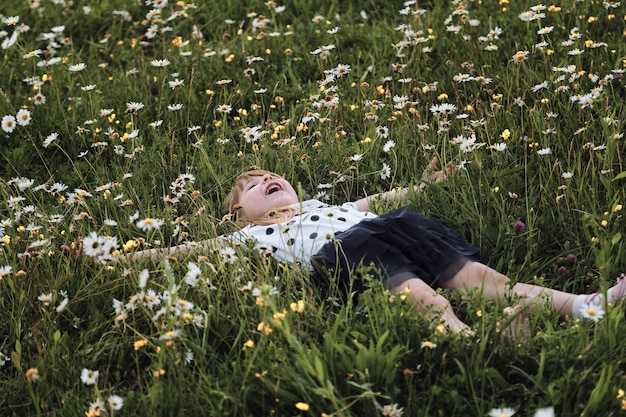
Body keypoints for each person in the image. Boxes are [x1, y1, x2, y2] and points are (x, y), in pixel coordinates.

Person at [134, 159, 626, 335]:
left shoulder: (324, 205)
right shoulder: (245, 237)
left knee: (484, 280)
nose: (266, 179)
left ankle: (585, 306)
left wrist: (427, 182)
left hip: (398, 228)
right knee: (424, 299)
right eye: (253, 185)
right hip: (350, 256)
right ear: (239, 215)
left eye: (270, 175)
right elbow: (177, 254)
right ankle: (468, 341)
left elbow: (381, 199)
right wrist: (124, 256)